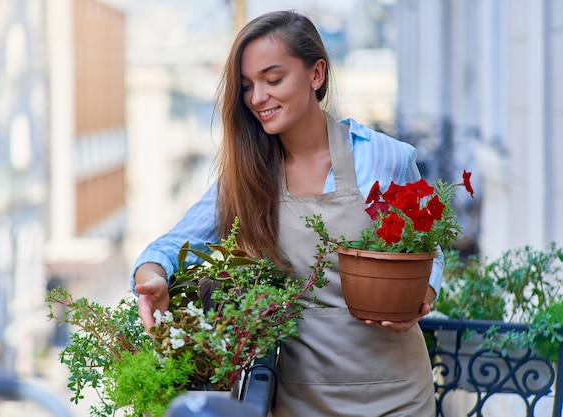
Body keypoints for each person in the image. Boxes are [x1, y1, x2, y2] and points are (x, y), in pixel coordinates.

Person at [132, 10, 441, 417]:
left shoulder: (384, 156)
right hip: (302, 399)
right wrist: (152, 276)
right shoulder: (248, 178)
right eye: (247, 86)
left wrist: (425, 295)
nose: (257, 96)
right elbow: (170, 245)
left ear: (316, 74)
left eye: (273, 79)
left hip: (399, 393)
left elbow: (430, 250)